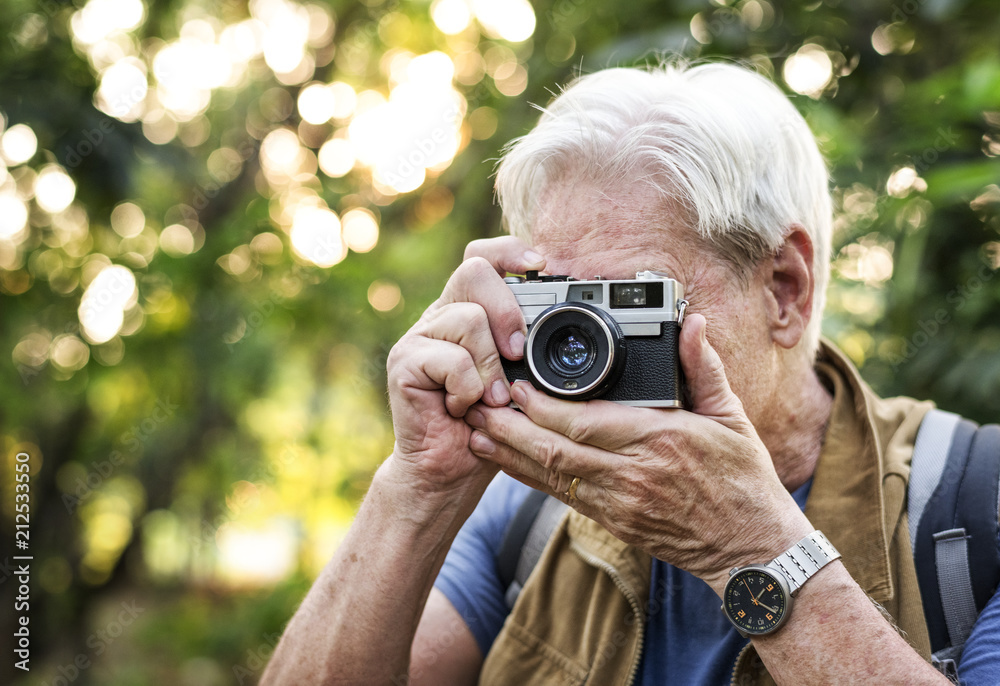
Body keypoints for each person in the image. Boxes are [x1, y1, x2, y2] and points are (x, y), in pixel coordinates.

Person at [261, 61, 999, 684]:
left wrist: (754, 549)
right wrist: (416, 488)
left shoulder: (975, 505)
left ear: (785, 290)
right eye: (561, 307)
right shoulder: (525, 517)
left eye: (634, 302)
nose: (584, 348)